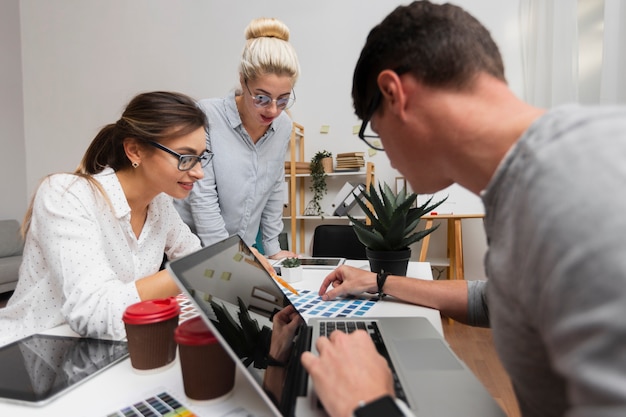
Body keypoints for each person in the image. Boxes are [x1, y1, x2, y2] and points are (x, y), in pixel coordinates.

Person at [300, 2, 626, 417]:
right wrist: (378, 282)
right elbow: (497, 300)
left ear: (394, 94)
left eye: (375, 131)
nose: (387, 154)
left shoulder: (572, 193)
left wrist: (370, 405)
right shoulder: (537, 175)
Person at [0, 91, 210, 346]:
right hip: (29, 353)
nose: (199, 172)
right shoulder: (66, 195)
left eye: (200, 158)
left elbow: (197, 259)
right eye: (185, 158)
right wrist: (192, 272)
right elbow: (95, 313)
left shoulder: (160, 205)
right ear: (135, 151)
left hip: (105, 349)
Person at [174, 17, 300, 260]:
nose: (272, 110)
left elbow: (274, 187)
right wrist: (231, 256)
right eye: (262, 98)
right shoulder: (208, 116)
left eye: (283, 99)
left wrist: (273, 249)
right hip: (195, 251)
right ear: (243, 80)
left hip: (243, 251)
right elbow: (203, 196)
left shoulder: (283, 127)